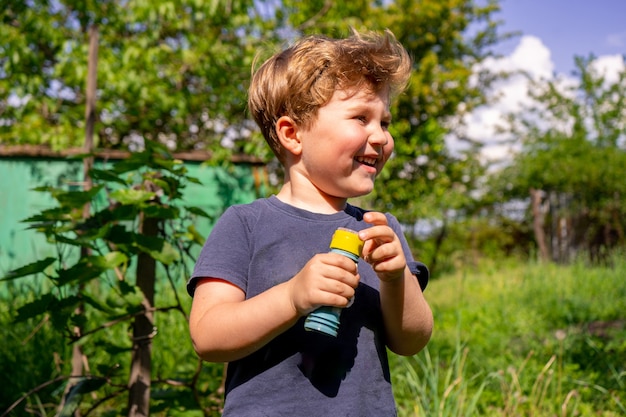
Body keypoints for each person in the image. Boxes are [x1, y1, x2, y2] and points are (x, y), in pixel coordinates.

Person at [187, 29, 433, 416]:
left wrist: (396, 277)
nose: (381, 137)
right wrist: (292, 297)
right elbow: (208, 335)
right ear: (292, 134)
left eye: (384, 122)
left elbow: (412, 340)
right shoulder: (246, 225)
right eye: (360, 118)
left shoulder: (380, 230)